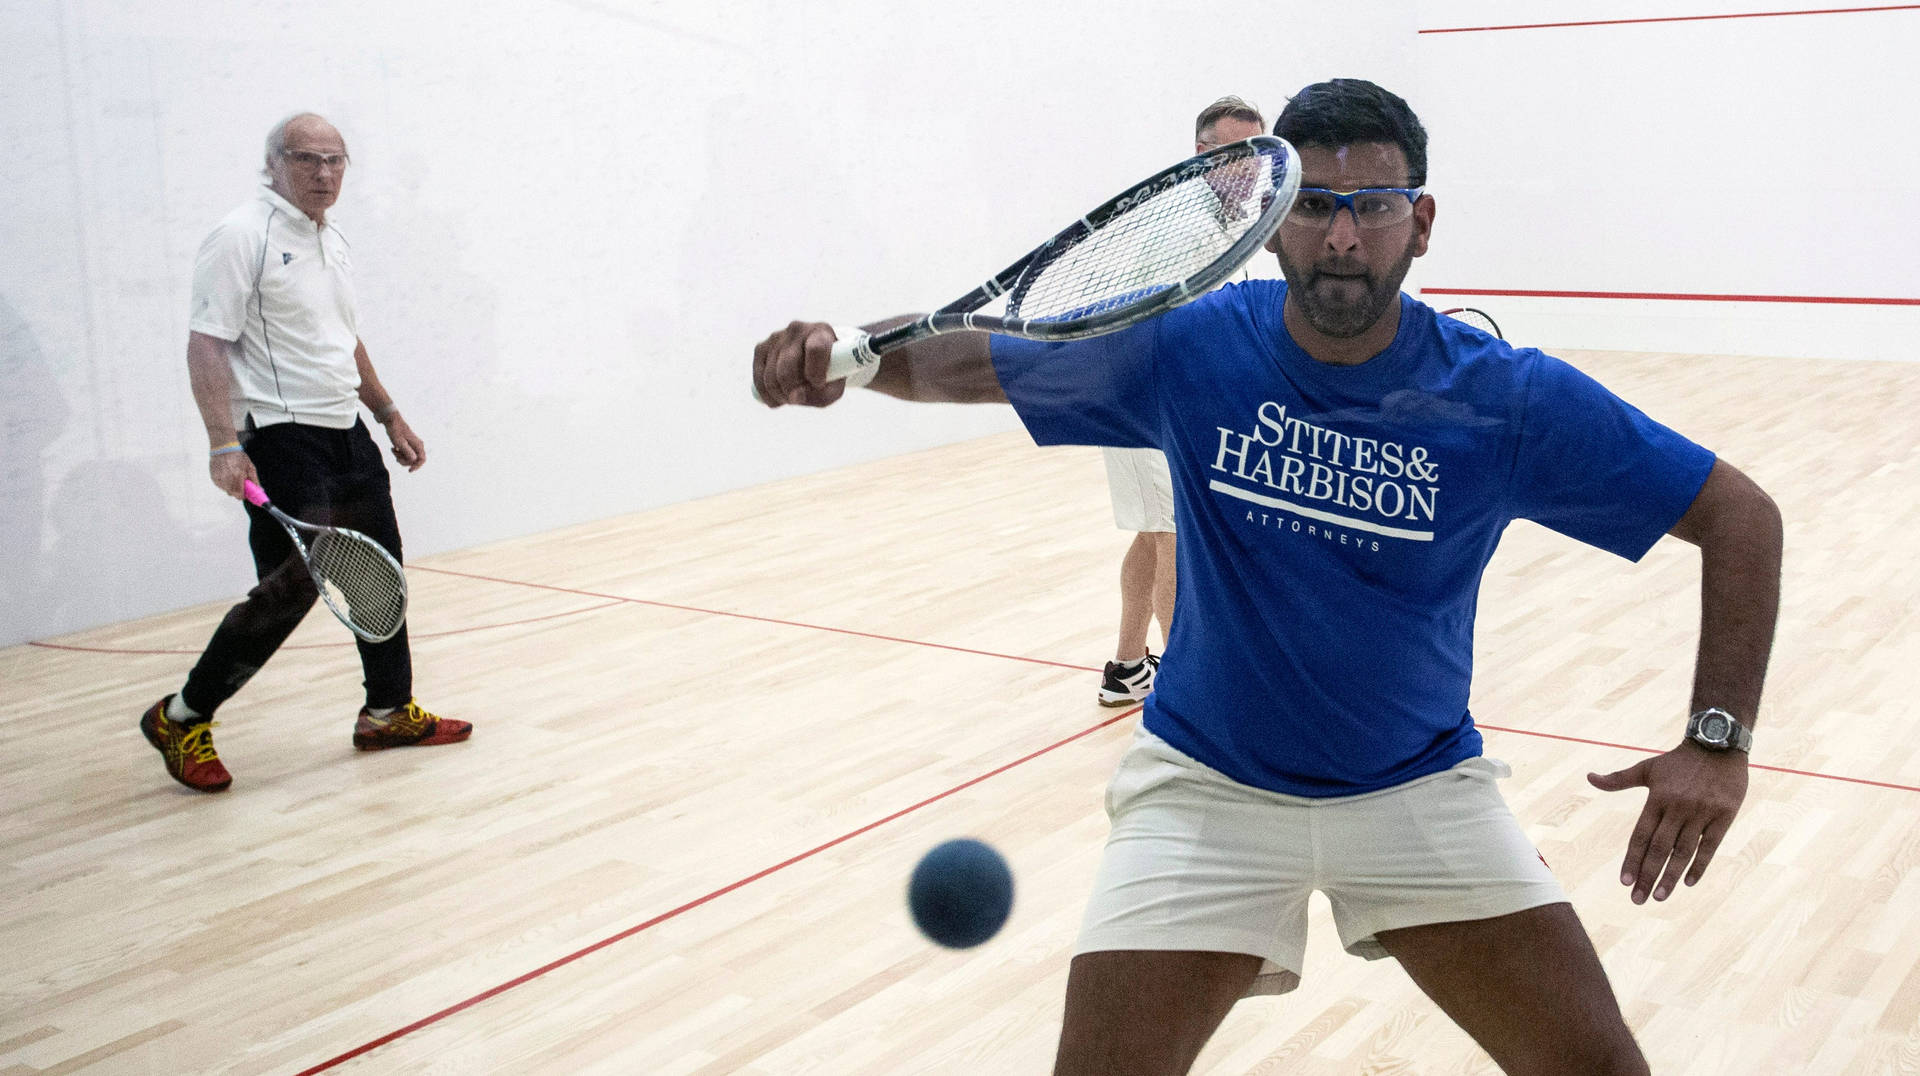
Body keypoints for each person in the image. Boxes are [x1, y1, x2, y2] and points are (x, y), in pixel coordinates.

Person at [754, 79, 1781, 1075]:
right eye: (1319, 207)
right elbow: (984, 361)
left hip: (1418, 788)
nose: (1343, 237)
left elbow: (1740, 517)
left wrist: (1716, 738)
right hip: (1206, 793)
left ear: (1420, 224)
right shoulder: (1192, 347)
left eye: (1373, 207)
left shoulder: (1502, 398)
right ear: (1275, 220)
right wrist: (847, 360)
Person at [140, 112, 470, 794]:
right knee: (291, 588)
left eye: (336, 161)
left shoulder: (332, 239)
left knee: (381, 578)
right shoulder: (241, 236)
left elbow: (343, 338)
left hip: (342, 429)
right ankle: (183, 714)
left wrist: (387, 414)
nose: (324, 173)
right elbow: (207, 341)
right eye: (308, 159)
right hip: (279, 434)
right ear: (275, 163)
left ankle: (386, 711)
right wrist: (223, 443)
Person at [1097, 95, 1268, 708]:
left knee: (1153, 534)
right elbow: (1173, 323)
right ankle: (1184, 686)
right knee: (1175, 539)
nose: (1247, 169)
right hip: (1146, 396)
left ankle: (1126, 668)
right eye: (1232, 154)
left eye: (1254, 154)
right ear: (1202, 155)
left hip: (1161, 397)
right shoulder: (1184, 224)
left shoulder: (1221, 219)